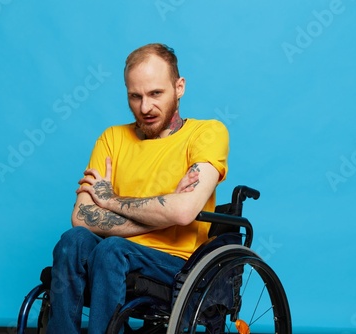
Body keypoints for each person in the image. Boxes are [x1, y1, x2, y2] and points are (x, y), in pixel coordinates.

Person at [46, 43, 229, 333]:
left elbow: (183, 212)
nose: (145, 107)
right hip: (112, 254)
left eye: (156, 93)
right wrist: (161, 211)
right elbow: (81, 216)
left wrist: (111, 200)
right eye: (135, 96)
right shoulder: (112, 138)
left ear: (179, 87)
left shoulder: (207, 133)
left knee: (112, 248)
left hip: (176, 265)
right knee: (74, 240)